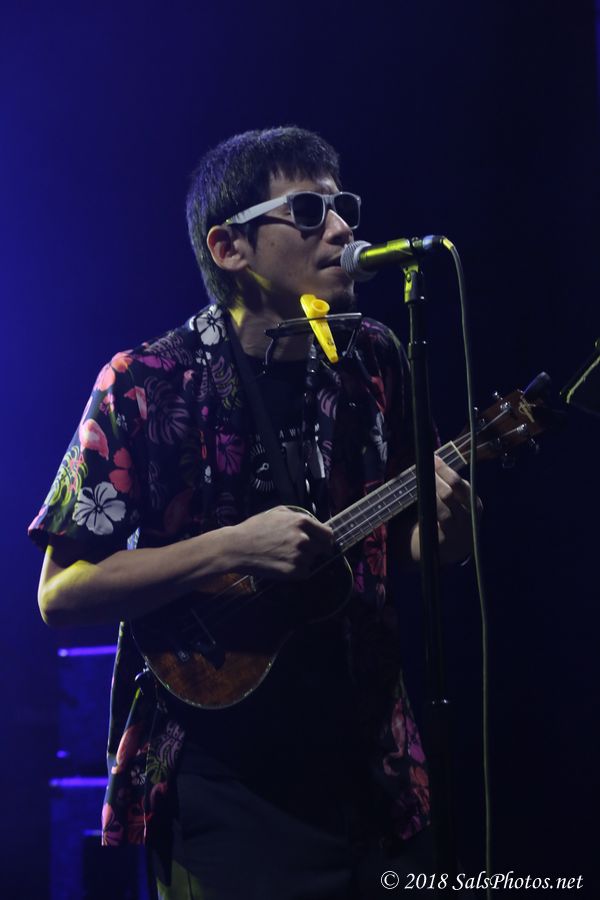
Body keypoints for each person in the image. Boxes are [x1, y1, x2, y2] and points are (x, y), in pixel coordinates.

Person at [29, 126, 476, 899]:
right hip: (221, 789)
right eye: (307, 210)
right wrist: (232, 548)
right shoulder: (145, 381)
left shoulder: (374, 357)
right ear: (229, 247)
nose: (340, 229)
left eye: (342, 206)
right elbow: (61, 594)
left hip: (373, 770)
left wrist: (450, 533)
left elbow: (406, 541)